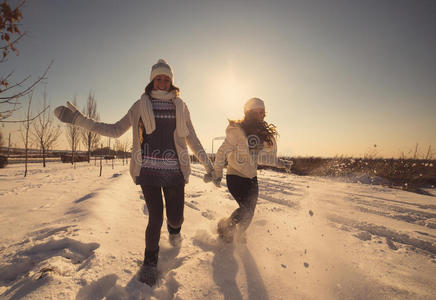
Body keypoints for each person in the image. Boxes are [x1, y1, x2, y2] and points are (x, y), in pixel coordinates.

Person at [54, 59, 215, 286]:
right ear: (151, 80)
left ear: (172, 82)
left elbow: (192, 138)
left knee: (176, 217)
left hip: (175, 172)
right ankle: (150, 262)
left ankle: (175, 230)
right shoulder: (140, 105)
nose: (162, 81)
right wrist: (79, 121)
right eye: (158, 78)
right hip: (147, 170)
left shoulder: (181, 106)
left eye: (166, 79)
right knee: (155, 217)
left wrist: (208, 165)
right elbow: (115, 130)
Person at [210, 97, 290, 243]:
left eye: (263, 112)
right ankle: (226, 228)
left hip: (251, 178)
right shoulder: (237, 131)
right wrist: (218, 173)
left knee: (249, 213)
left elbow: (261, 158)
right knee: (246, 210)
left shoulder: (261, 134)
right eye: (257, 112)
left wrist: (280, 163)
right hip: (235, 176)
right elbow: (222, 152)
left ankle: (237, 233)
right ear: (249, 112)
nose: (261, 115)